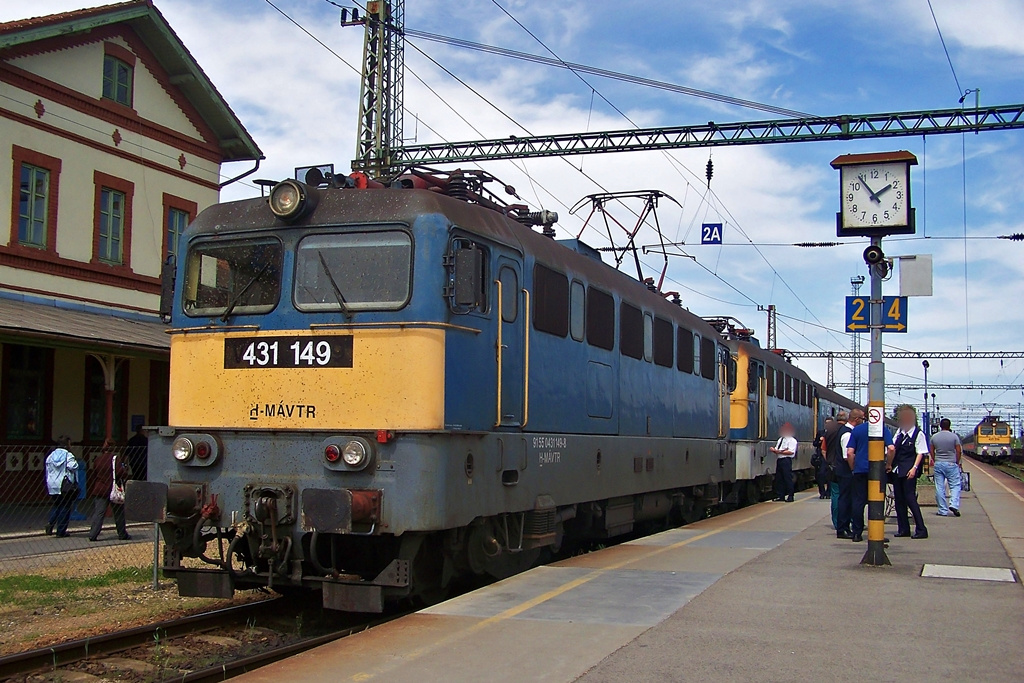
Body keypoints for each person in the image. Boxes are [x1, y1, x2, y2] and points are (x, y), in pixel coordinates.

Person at [845, 409, 895, 543]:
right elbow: (891, 448)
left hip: (860, 471)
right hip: (877, 471)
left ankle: (857, 533)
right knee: (877, 502)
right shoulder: (882, 429)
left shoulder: (857, 430)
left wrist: (853, 468)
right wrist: (888, 464)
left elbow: (850, 453)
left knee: (858, 502)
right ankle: (876, 533)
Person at [888, 405, 929, 539]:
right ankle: (903, 529)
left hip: (909, 471)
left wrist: (914, 468)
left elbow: (920, 453)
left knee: (910, 499)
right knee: (899, 500)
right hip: (897, 470)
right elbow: (892, 448)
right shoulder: (900, 433)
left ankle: (921, 529)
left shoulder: (918, 434)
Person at [89, 441, 132, 542]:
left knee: (99, 512)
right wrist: (125, 470)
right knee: (118, 513)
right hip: (113, 488)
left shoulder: (97, 459)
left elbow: (94, 473)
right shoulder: (115, 459)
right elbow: (120, 473)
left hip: (100, 488)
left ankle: (93, 533)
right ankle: (122, 534)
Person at [826, 411, 854, 538]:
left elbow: (823, 449)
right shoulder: (847, 432)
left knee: (835, 495)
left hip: (832, 466)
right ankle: (843, 525)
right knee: (845, 498)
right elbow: (847, 455)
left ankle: (837, 522)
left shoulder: (829, 430)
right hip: (843, 468)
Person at [44, 437, 79, 537]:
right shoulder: (68, 455)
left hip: (52, 484)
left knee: (57, 505)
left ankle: (50, 524)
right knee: (65, 507)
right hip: (64, 485)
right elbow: (73, 466)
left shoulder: (51, 456)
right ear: (67, 445)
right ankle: (61, 530)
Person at [930, 418, 963, 517]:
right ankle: (954, 504)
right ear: (949, 426)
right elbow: (958, 451)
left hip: (939, 463)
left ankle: (942, 510)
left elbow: (931, 450)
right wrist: (957, 461)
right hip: (951, 464)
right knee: (955, 486)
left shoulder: (934, 437)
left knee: (939, 487)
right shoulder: (954, 437)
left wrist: (935, 459)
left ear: (940, 426)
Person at [770, 423, 798, 503]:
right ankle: (780, 495)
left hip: (786, 460)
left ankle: (790, 495)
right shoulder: (780, 439)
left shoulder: (792, 440)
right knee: (779, 478)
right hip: (779, 460)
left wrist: (779, 451)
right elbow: (777, 449)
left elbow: (791, 452)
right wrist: (774, 450)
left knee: (787, 478)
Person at [812, 422, 829, 499]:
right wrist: (819, 441)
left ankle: (828, 493)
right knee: (820, 475)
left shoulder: (833, 432)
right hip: (821, 457)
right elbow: (815, 443)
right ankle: (822, 492)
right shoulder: (820, 432)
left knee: (830, 476)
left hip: (830, 456)